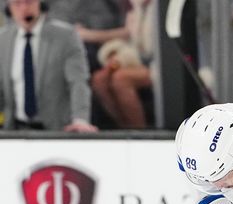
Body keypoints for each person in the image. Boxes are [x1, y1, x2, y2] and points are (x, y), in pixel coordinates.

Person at [0, 0, 97, 131]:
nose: (23, 8)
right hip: (15, 129)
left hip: (57, 130)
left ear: (39, 3)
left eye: (28, 2)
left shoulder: (66, 36)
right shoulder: (3, 39)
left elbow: (78, 82)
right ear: (9, 8)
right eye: (17, 3)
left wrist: (80, 119)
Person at [88, 0, 155, 128]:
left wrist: (121, 60)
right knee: (99, 79)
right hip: (135, 60)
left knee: (121, 79)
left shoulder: (159, 10)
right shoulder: (135, 11)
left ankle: (140, 130)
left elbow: (155, 51)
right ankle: (124, 127)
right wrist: (114, 54)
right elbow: (131, 42)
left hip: (157, 65)